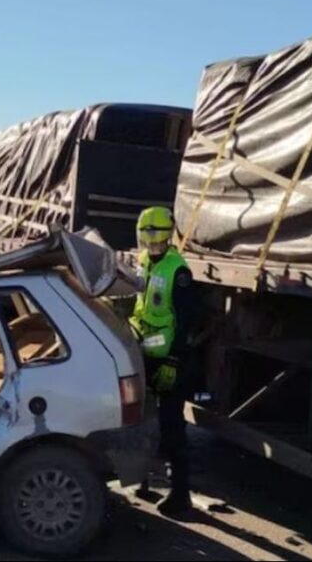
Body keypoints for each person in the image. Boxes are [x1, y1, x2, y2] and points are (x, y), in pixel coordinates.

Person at [123, 206, 197, 517]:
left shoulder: (178, 271)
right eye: (148, 241)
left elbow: (185, 321)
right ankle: (142, 480)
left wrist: (174, 360)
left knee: (171, 426)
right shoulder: (143, 263)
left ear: (168, 237)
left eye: (159, 241)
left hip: (169, 358)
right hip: (145, 354)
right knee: (143, 420)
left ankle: (181, 495)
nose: (153, 246)